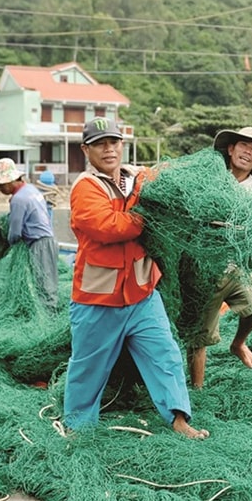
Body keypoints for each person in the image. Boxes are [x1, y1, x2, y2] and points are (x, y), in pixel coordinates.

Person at [60, 120, 207, 439]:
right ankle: (78, 426)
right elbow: (106, 226)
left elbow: (166, 182)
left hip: (143, 294)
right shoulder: (85, 187)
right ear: (86, 150)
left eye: (114, 141)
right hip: (98, 300)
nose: (108, 148)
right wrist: (147, 218)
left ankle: (179, 419)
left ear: (122, 144)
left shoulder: (138, 177)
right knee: (88, 367)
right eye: (100, 143)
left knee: (165, 354)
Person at [188, 125, 252, 388]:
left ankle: (238, 344)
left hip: (235, 267)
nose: (247, 152)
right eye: (243, 146)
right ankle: (197, 389)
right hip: (203, 268)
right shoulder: (209, 179)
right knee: (199, 336)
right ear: (230, 149)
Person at [0, 156, 63, 313]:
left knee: (44, 283)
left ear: (11, 180)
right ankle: (49, 312)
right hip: (49, 240)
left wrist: (5, 245)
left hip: (39, 243)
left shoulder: (18, 199)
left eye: (1, 184)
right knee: (49, 279)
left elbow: (15, 232)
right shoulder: (31, 190)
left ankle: (49, 319)